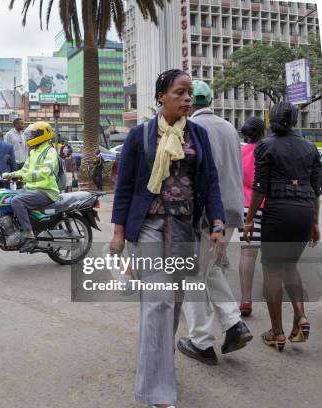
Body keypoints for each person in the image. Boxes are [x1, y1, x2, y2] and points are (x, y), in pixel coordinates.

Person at [111, 69, 225, 408]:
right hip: (148, 226)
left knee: (170, 305)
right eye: (180, 92)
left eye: (190, 92)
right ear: (161, 95)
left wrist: (216, 221)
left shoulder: (199, 135)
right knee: (158, 302)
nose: (187, 98)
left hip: (185, 227)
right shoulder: (141, 136)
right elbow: (125, 186)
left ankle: (156, 369)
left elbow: (211, 180)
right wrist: (118, 233)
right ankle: (158, 394)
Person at [178, 80, 252, 366]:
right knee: (210, 270)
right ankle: (234, 323)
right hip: (232, 211)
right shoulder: (228, 127)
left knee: (193, 276)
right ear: (210, 99)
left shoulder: (193, 128)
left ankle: (201, 342)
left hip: (209, 213)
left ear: (188, 101)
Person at [243, 101, 320, 351]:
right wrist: (315, 222)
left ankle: (276, 332)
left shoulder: (266, 146)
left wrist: (249, 218)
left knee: (272, 271)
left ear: (271, 119)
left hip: (277, 213)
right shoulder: (310, 148)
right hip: (305, 212)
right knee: (290, 266)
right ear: (296, 119)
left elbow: (259, 187)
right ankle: (300, 315)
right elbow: (316, 189)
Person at [3, 121, 60, 253]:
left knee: (17, 201)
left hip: (46, 192)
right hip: (32, 190)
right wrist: (9, 175)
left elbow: (45, 172)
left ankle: (29, 235)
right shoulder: (34, 152)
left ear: (42, 135)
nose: (29, 138)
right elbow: (24, 171)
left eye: (33, 135)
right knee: (8, 196)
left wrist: (23, 177)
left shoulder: (50, 152)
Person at [237, 117, 266, 317]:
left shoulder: (239, 153)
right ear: (263, 133)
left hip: (246, 207)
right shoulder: (268, 151)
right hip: (269, 207)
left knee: (248, 253)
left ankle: (245, 300)